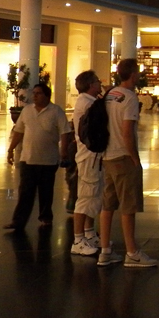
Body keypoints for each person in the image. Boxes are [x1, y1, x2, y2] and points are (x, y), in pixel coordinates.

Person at [97, 59, 157, 268]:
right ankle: (132, 252)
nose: (139, 75)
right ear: (132, 74)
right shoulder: (130, 98)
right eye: (138, 72)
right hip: (123, 156)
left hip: (107, 155)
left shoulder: (110, 94)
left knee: (108, 204)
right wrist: (135, 158)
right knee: (128, 206)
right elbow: (127, 132)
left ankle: (105, 250)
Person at [4, 83, 73, 230]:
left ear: (47, 95)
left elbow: (64, 132)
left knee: (45, 191)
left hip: (48, 160)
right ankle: (18, 221)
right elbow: (19, 131)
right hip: (28, 159)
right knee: (25, 191)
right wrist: (11, 149)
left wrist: (64, 151)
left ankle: (46, 218)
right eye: (34, 93)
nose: (35, 96)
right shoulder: (27, 111)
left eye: (38, 93)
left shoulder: (56, 111)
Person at [70, 70, 103, 255]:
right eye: (97, 81)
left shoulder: (88, 102)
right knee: (85, 197)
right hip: (89, 157)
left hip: (91, 157)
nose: (100, 83)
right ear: (91, 84)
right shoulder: (88, 104)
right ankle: (78, 239)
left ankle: (89, 233)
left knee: (93, 196)